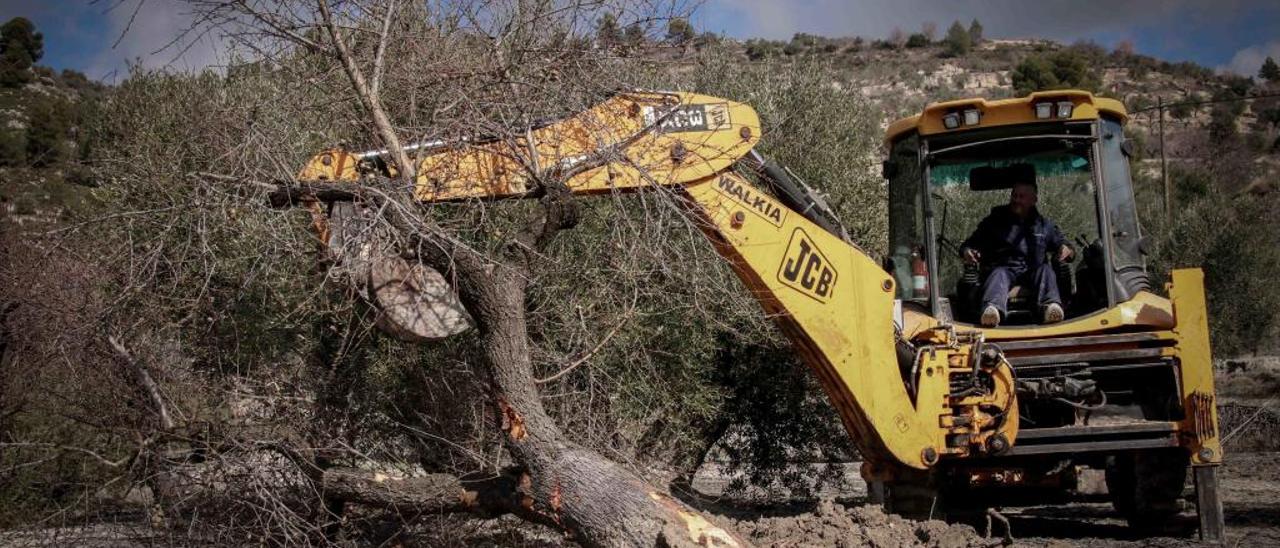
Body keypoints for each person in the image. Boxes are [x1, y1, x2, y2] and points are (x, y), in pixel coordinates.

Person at [960, 180, 1073, 327]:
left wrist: (1066, 249)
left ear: (1034, 200)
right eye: (1014, 196)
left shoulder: (1045, 226)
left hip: (1034, 271)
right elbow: (968, 245)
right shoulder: (993, 222)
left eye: (1021, 196)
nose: (1016, 200)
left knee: (1046, 270)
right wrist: (967, 251)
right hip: (1005, 270)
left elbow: (1066, 247)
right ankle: (991, 311)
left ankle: (1051, 307)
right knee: (998, 273)